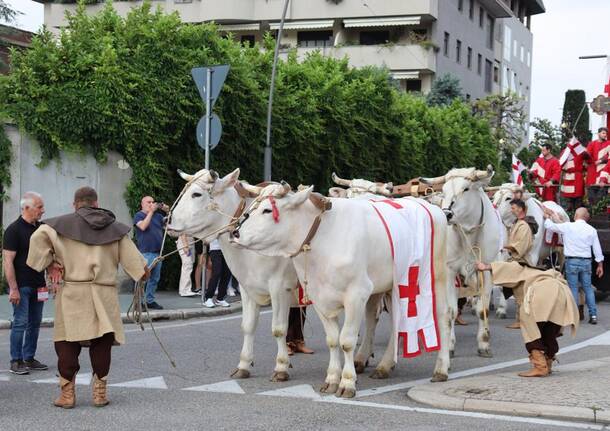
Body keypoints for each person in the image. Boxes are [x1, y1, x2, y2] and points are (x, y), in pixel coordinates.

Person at [27, 187, 148, 408]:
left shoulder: (56, 227)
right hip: (104, 292)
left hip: (72, 291)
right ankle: (99, 394)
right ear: (96, 203)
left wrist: (49, 263)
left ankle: (67, 395)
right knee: (102, 343)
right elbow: (138, 266)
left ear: (75, 204)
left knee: (67, 342)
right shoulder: (115, 229)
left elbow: (36, 241)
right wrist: (143, 269)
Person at [475, 260, 578, 377]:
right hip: (561, 291)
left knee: (530, 328)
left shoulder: (520, 268)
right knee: (550, 330)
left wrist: (485, 266)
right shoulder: (537, 271)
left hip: (541, 292)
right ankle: (548, 363)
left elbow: (508, 267)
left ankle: (540, 366)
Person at [2, 192, 49, 375]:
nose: (42, 210)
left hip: (39, 283)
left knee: (35, 323)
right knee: (20, 322)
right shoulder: (13, 230)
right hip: (22, 285)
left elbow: (49, 252)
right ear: (26, 208)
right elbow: (7, 261)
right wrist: (13, 289)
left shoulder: (42, 228)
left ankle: (29, 357)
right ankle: (16, 360)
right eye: (39, 207)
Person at [543, 207, 603, 324]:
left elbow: (550, 226)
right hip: (586, 262)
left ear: (575, 216)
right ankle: (593, 315)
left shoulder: (568, 226)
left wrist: (547, 218)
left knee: (573, 289)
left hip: (572, 262)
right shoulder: (591, 230)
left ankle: (574, 317)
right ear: (586, 218)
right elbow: (597, 249)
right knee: (588, 289)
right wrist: (600, 264)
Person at [503, 199, 536, 330]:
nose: (512, 210)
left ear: (521, 209)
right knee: (518, 293)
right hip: (516, 260)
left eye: (513, 207)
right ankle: (520, 319)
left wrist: (507, 247)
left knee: (521, 293)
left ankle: (521, 320)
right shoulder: (518, 223)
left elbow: (521, 245)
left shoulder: (524, 225)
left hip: (521, 261)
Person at [133, 196, 169, 310]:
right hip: (146, 252)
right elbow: (143, 226)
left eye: (153, 202)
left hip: (157, 253)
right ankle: (138, 303)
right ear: (142, 204)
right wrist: (151, 212)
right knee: (143, 279)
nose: (151, 204)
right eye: (149, 202)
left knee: (154, 279)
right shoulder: (139, 215)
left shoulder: (158, 216)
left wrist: (168, 211)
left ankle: (149, 301)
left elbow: (170, 225)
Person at [559, 140, 587, 212]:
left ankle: (579, 217)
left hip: (578, 177)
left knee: (578, 199)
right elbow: (561, 164)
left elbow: (588, 160)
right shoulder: (565, 152)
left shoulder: (581, 151)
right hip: (568, 177)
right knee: (568, 201)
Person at [585, 127, 609, 208]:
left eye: (606, 133)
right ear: (598, 133)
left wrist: (601, 160)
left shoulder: (609, 143)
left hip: (603, 172)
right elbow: (588, 156)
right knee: (591, 197)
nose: (605, 135)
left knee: (602, 196)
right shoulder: (592, 143)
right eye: (603, 133)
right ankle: (592, 214)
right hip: (592, 172)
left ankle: (602, 215)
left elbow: (608, 155)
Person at [203, 239, 231, 308]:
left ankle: (220, 298)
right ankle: (208, 298)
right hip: (215, 250)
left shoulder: (228, 227)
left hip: (226, 250)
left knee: (227, 274)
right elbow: (205, 240)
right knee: (217, 273)